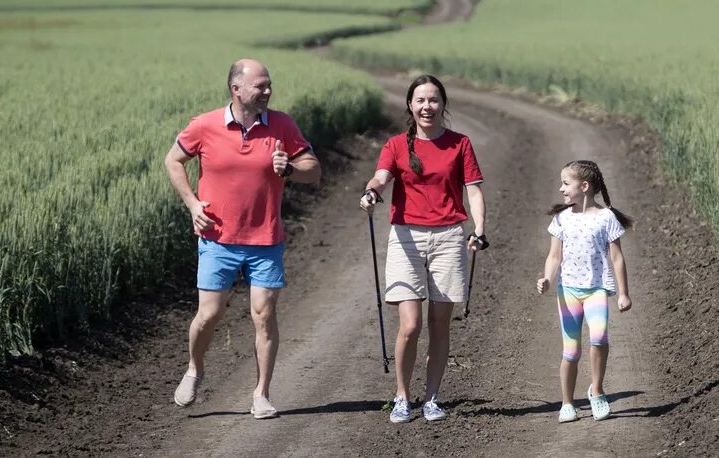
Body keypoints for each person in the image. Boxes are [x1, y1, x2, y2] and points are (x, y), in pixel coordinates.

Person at [164, 58, 321, 419]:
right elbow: (173, 161)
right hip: (217, 237)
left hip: (266, 238)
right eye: (259, 86)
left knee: (264, 315)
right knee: (209, 314)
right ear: (236, 90)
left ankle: (261, 394)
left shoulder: (282, 125)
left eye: (269, 85)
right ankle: (194, 369)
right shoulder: (204, 125)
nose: (267, 91)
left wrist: (291, 168)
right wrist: (191, 204)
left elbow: (314, 171)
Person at [359, 74, 488, 424]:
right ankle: (402, 396)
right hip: (406, 238)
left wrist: (479, 229)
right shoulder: (397, 144)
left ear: (443, 105)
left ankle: (432, 398)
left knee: (439, 324)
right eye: (420, 100)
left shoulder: (460, 144)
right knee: (410, 325)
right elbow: (381, 177)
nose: (427, 106)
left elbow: (473, 191)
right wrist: (372, 193)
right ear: (410, 105)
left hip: (449, 236)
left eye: (433, 100)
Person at [536, 160, 633, 423]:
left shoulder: (606, 218)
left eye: (566, 183)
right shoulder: (562, 218)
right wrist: (546, 278)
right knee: (571, 352)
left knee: (599, 338)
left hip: (597, 290)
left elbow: (617, 258)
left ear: (585, 186)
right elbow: (554, 256)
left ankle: (597, 391)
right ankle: (567, 403)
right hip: (568, 291)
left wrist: (623, 292)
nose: (561, 189)